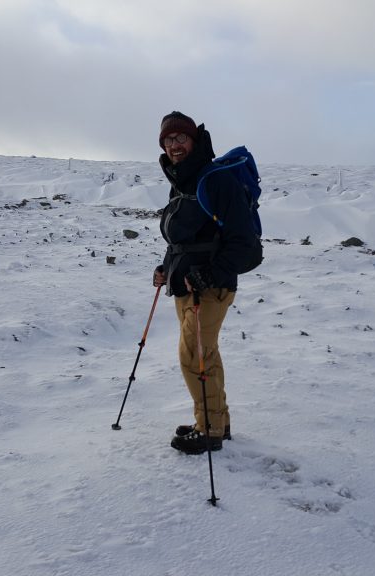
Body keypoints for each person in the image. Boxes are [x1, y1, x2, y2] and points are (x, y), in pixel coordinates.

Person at [152, 111, 255, 455]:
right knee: (204, 355)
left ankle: (208, 429)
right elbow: (183, 239)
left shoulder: (215, 180)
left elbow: (247, 245)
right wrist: (167, 267)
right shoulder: (182, 182)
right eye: (168, 140)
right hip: (185, 287)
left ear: (194, 140)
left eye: (180, 138)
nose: (175, 145)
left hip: (211, 288)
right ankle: (217, 422)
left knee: (193, 356)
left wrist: (207, 274)